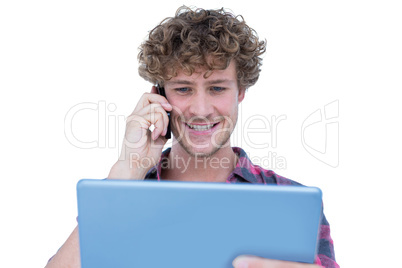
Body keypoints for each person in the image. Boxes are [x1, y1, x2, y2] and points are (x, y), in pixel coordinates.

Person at [46, 6, 339, 268]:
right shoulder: (118, 198)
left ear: (240, 92)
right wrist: (124, 174)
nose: (200, 110)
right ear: (159, 95)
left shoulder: (289, 203)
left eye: (217, 88)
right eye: (183, 89)